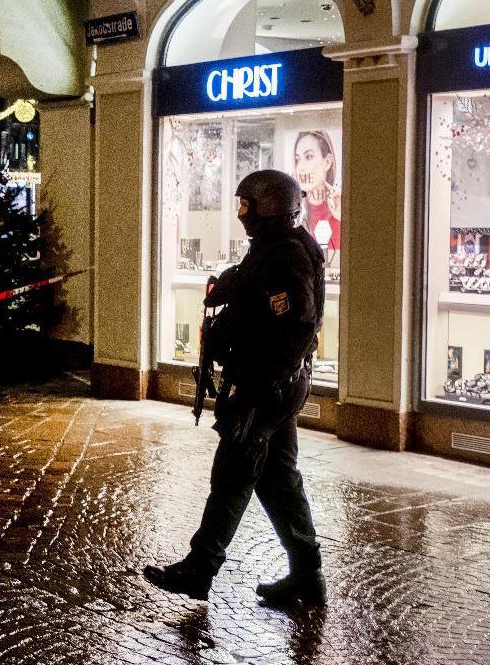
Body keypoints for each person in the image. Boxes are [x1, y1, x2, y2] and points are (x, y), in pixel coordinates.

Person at [144, 169, 327, 607]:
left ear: (269, 208)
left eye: (247, 205)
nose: (241, 213)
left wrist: (262, 389)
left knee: (232, 475)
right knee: (278, 479)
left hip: (265, 389)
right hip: (273, 387)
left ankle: (200, 568)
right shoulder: (274, 248)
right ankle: (307, 574)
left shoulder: (288, 256)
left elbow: (297, 329)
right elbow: (257, 297)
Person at [293, 130, 341, 251]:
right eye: (297, 159)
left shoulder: (341, 209)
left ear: (328, 162)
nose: (301, 168)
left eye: (309, 156)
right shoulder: (293, 211)